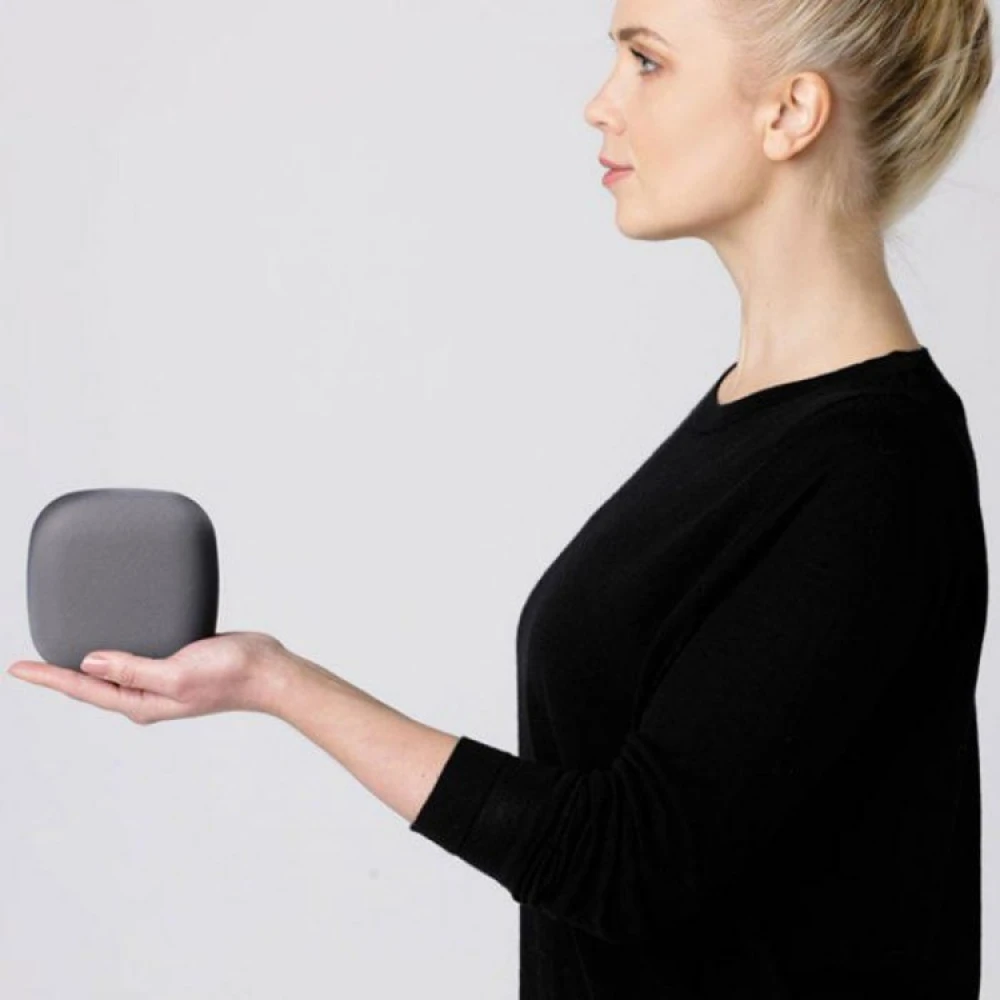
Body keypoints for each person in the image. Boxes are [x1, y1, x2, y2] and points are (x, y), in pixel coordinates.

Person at [7, 0, 993, 997]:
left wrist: (278, 684)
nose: (599, 104)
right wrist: (271, 681)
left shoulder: (876, 472)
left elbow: (624, 858)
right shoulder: (765, 416)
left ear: (790, 113)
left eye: (646, 61)